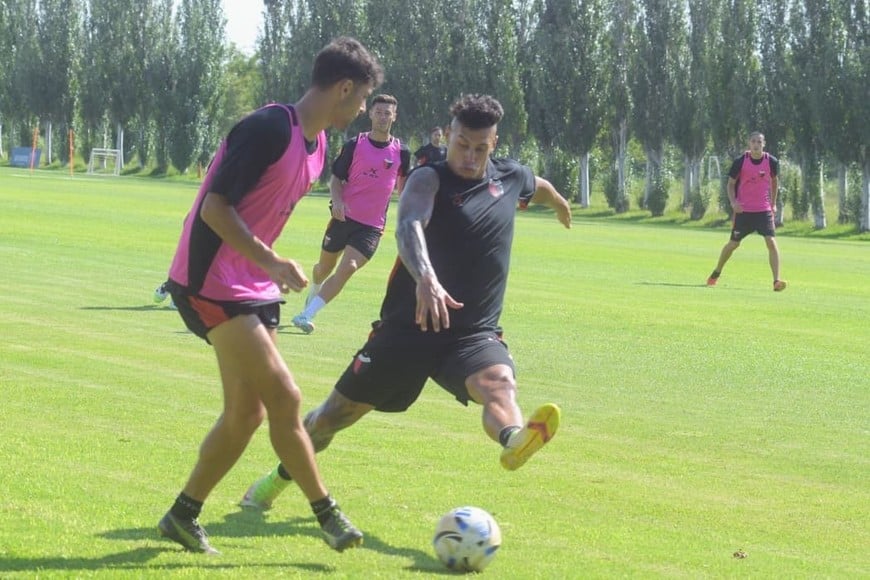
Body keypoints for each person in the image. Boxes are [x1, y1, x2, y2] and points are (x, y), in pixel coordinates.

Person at [240, 94, 572, 511]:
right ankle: (276, 481)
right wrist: (426, 278)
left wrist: (559, 201)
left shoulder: (509, 178)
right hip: (407, 329)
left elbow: (536, 187)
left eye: (480, 148)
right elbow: (409, 225)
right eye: (462, 144)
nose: (469, 157)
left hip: (471, 333)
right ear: (449, 135)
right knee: (329, 419)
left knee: (500, 385)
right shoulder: (428, 179)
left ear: (494, 143)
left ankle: (514, 439)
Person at [156, 36, 383, 555]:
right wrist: (272, 261)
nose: (364, 108)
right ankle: (328, 513)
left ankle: (181, 515)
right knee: (285, 396)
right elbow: (215, 209)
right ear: (344, 87)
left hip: (253, 285)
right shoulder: (267, 127)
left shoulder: (320, 143)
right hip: (209, 281)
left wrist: (267, 269)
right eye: (363, 97)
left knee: (248, 413)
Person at [291, 94, 411, 334]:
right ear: (371, 114)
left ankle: (307, 314)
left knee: (349, 267)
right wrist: (337, 201)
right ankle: (314, 291)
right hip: (342, 219)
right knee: (322, 270)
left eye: (388, 113)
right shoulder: (355, 144)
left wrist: (411, 217)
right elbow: (337, 179)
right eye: (379, 112)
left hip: (371, 227)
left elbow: (405, 188)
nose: (383, 117)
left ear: (394, 117)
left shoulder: (402, 152)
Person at [707, 131, 786, 291]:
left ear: (764, 144)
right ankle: (716, 272)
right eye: (753, 141)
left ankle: (776, 281)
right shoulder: (740, 161)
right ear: (749, 144)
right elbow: (730, 184)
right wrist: (733, 202)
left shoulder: (771, 161)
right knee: (733, 244)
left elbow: (774, 181)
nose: (756, 144)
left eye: (759, 142)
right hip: (744, 211)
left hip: (763, 211)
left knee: (771, 241)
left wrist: (773, 203)